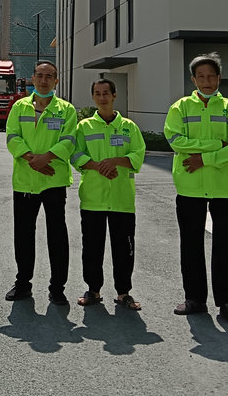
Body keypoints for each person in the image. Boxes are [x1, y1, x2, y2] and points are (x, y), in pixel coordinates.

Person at [164, 52, 228, 325]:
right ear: (193, 79)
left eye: (211, 76)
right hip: (189, 186)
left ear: (219, 78)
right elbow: (175, 141)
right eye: (201, 76)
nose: (206, 81)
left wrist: (204, 159)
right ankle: (195, 299)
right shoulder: (180, 108)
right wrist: (216, 147)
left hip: (224, 188)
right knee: (191, 244)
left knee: (225, 245)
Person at [4, 60, 77, 306]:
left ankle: (57, 288)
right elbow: (12, 136)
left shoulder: (66, 110)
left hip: (53, 180)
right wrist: (31, 158)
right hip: (25, 181)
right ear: (32, 79)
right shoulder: (19, 107)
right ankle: (23, 284)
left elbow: (69, 140)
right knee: (23, 235)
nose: (44, 80)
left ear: (56, 80)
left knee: (57, 236)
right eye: (40, 75)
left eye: (49, 76)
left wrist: (46, 158)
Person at [71, 78, 146, 309]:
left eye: (106, 93)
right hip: (93, 198)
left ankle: (124, 293)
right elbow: (75, 155)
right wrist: (98, 166)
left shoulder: (129, 127)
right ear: (93, 97)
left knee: (124, 249)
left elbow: (138, 154)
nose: (102, 98)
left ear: (114, 95)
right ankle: (93, 290)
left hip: (122, 199)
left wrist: (117, 161)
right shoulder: (84, 127)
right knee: (92, 248)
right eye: (97, 93)